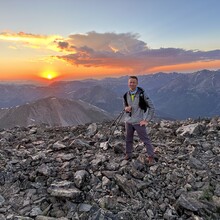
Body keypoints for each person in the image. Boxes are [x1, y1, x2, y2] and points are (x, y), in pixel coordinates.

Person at [123, 76, 155, 164]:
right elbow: (124, 107)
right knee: (128, 139)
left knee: (145, 140)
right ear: (128, 83)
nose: (131, 84)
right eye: (130, 82)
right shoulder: (126, 95)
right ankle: (128, 154)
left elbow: (152, 107)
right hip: (128, 121)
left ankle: (151, 156)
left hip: (139, 122)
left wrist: (146, 120)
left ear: (137, 83)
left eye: (133, 82)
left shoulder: (142, 94)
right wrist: (126, 108)